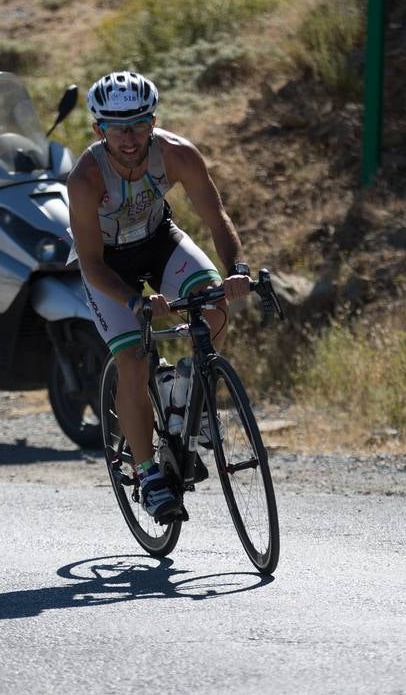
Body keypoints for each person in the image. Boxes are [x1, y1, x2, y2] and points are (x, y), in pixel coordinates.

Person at [67, 70, 250, 524]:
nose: (129, 138)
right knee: (134, 360)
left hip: (158, 240)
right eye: (116, 127)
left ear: (153, 122)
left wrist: (238, 270)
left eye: (138, 125)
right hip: (108, 265)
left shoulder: (177, 154)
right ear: (98, 130)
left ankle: (187, 393)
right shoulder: (86, 179)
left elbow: (216, 215)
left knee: (213, 303)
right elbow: (90, 264)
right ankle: (147, 472)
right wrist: (135, 302)